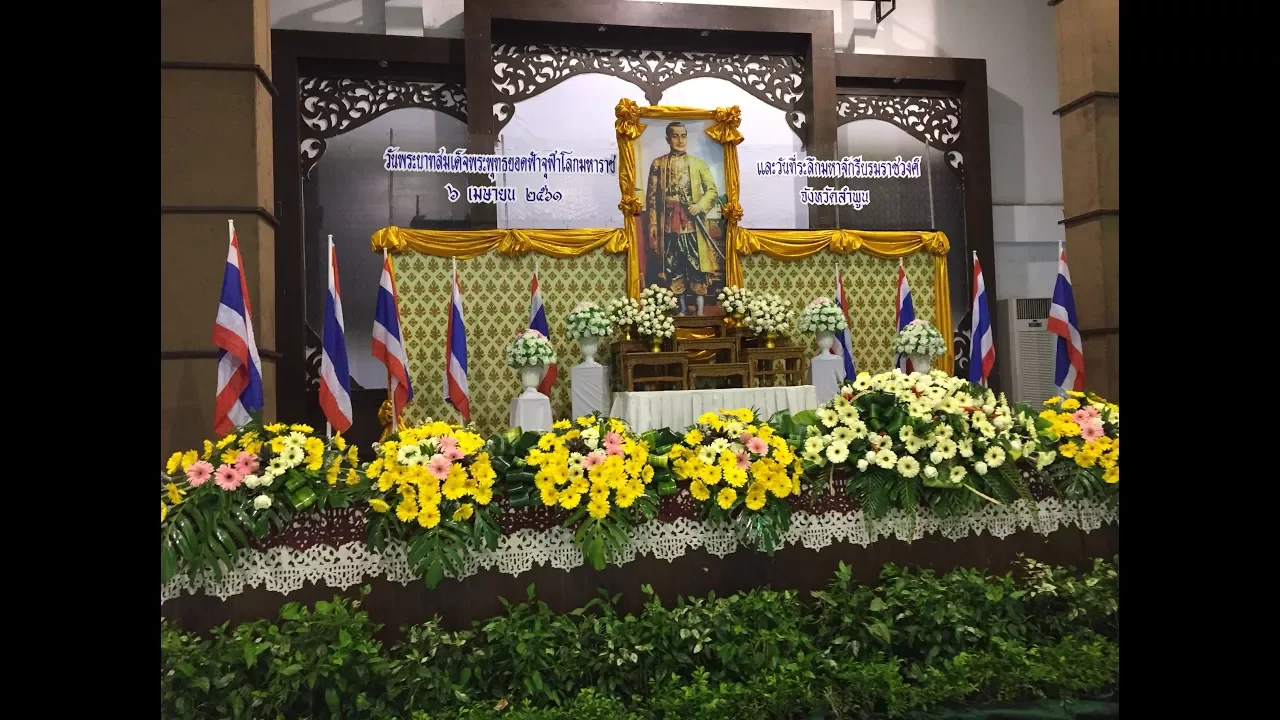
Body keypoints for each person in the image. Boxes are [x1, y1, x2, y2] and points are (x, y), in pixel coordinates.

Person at [644, 121, 722, 316]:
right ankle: (682, 309)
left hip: (692, 225)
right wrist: (653, 224)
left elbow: (712, 191)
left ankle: (700, 311)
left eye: (684, 136)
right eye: (675, 136)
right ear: (668, 139)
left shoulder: (698, 164)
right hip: (669, 225)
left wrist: (700, 206)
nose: (680, 140)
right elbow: (652, 198)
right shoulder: (658, 164)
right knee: (674, 264)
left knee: (696, 265)